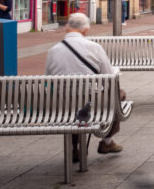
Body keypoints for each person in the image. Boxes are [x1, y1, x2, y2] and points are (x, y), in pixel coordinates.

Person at [45, 13, 124, 156]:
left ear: (67, 28)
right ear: (85, 30)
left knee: (73, 106)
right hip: (91, 100)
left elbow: (48, 78)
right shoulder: (94, 47)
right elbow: (108, 76)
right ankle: (107, 141)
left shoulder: (53, 51)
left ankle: (74, 148)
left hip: (62, 103)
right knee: (118, 95)